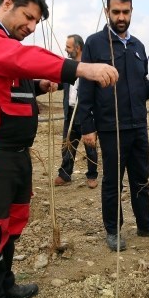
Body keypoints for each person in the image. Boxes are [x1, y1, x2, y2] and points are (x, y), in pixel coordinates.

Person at [0, 0, 118, 298]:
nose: (30, 28)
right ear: (7, 3)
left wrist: (38, 86)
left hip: (14, 153)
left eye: (35, 23)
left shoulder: (5, 44)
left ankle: (4, 283)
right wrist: (81, 68)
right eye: (27, 18)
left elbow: (11, 78)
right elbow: (18, 59)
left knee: (13, 221)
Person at [78, 0, 149, 252]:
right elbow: (86, 88)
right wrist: (87, 126)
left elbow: (138, 84)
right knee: (112, 181)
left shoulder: (138, 46)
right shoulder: (95, 44)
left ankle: (145, 224)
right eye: (116, 11)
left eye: (126, 12)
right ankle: (113, 230)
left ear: (132, 12)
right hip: (111, 127)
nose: (121, 17)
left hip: (137, 125)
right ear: (107, 11)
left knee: (140, 177)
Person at [53, 34, 99, 189]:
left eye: (68, 47)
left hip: (85, 113)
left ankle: (92, 175)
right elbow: (62, 83)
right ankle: (65, 174)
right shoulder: (68, 66)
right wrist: (53, 84)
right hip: (69, 112)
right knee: (67, 144)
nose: (66, 50)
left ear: (78, 48)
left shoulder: (90, 67)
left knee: (90, 145)